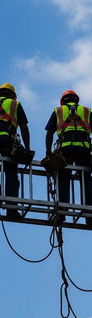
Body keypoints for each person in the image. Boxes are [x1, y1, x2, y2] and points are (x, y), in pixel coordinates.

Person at [45, 90, 92, 226]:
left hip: (66, 149)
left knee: (63, 178)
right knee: (85, 179)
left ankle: (62, 213)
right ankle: (89, 216)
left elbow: (49, 133)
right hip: (83, 149)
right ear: (77, 100)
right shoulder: (86, 111)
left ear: (63, 101)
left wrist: (48, 152)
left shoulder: (58, 111)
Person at [0, 83, 31, 219]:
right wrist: (27, 148)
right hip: (6, 141)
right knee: (11, 172)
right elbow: (23, 127)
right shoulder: (15, 104)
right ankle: (11, 208)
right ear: (12, 95)